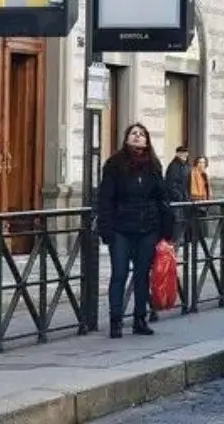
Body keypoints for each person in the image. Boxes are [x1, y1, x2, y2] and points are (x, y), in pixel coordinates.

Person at [97, 123, 173, 339]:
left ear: (147, 140)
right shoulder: (114, 164)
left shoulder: (153, 165)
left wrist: (166, 230)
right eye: (134, 134)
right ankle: (115, 320)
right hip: (121, 228)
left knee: (142, 276)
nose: (138, 137)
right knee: (119, 274)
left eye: (142, 134)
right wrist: (106, 229)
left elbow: (162, 198)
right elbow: (105, 199)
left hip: (148, 228)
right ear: (126, 138)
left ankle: (140, 318)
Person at [188, 155, 211, 241]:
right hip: (197, 201)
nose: (202, 164)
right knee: (196, 223)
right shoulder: (193, 172)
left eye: (203, 162)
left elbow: (207, 188)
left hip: (204, 201)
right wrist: (199, 198)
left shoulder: (204, 174)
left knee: (200, 223)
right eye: (200, 162)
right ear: (196, 163)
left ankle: (198, 239)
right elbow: (193, 189)